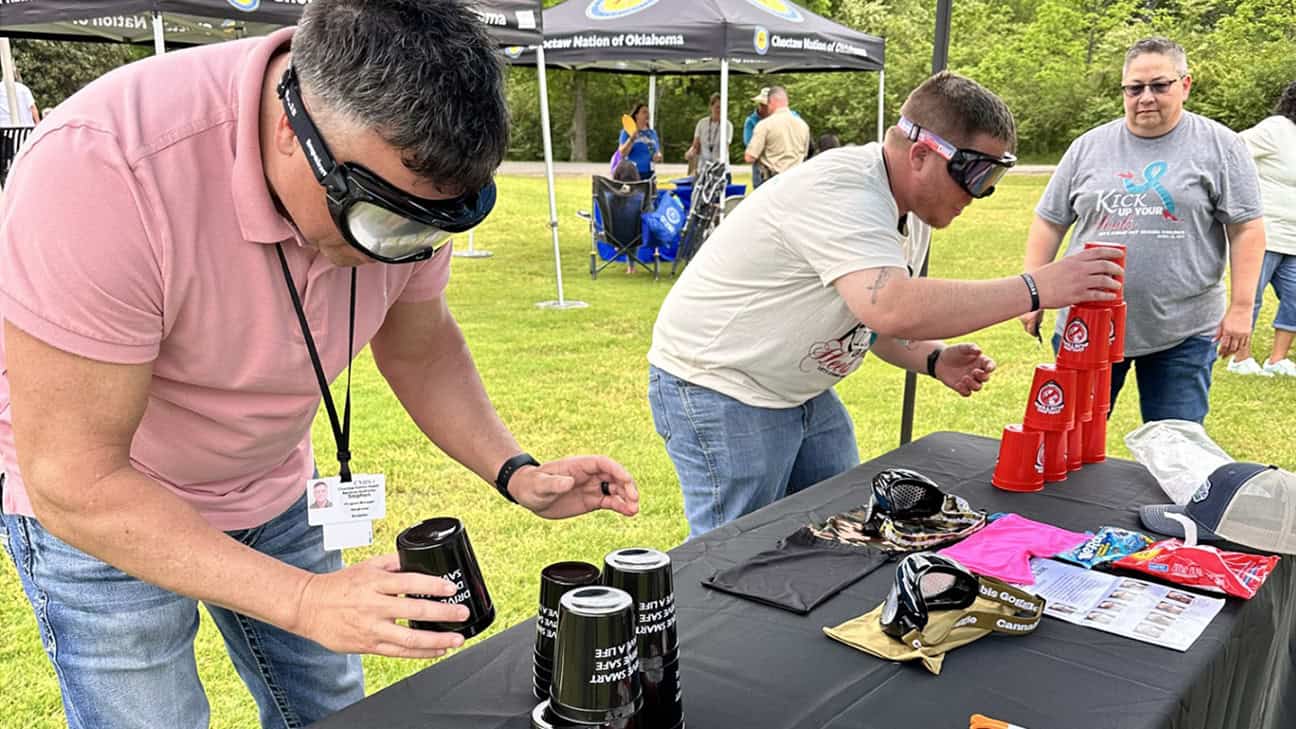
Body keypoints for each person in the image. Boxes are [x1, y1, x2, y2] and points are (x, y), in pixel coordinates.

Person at [0, 2, 639, 728]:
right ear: (289, 128)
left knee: (338, 711)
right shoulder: (102, 170)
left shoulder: (409, 187)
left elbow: (419, 340)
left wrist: (514, 469)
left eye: (431, 229)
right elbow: (73, 476)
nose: (399, 250)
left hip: (273, 484)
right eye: (384, 221)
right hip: (111, 507)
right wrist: (304, 600)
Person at [648, 71, 1122, 538]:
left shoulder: (907, 208)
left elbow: (873, 324)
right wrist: (1037, 287)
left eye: (995, 175)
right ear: (921, 154)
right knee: (732, 557)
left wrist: (934, 358)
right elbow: (889, 306)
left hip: (794, 389)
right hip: (720, 385)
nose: (983, 193)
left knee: (838, 529)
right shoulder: (846, 192)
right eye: (977, 173)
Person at [1020, 37, 1265, 423]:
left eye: (1159, 85)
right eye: (1134, 88)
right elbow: (1050, 221)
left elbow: (1246, 227)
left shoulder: (1222, 146)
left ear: (1185, 84)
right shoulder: (1088, 147)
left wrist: (1241, 307)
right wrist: (1031, 292)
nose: (1146, 97)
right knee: (1069, 436)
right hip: (1087, 324)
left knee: (1176, 448)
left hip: (1183, 330)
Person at [1228, 80, 1296, 377]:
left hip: (1293, 239)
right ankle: (1240, 358)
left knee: (1295, 300)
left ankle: (1277, 359)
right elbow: (1232, 150)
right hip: (1264, 233)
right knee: (1249, 297)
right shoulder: (1275, 129)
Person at [744, 86, 811, 183]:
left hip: (772, 182)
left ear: (770, 103)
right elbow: (805, 154)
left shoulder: (764, 125)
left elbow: (749, 157)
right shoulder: (803, 125)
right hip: (796, 181)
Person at [685, 93, 734, 171]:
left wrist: (717, 163)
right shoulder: (701, 123)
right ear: (711, 107)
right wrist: (690, 153)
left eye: (722, 107)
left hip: (720, 170)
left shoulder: (728, 125)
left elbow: (725, 147)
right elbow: (695, 146)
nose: (719, 110)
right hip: (703, 169)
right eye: (717, 107)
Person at [617, 102, 662, 180]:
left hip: (649, 173)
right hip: (631, 174)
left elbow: (657, 152)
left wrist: (658, 156)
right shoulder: (627, 131)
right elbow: (622, 153)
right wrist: (632, 138)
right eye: (644, 112)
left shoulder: (652, 133)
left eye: (648, 112)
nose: (647, 114)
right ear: (636, 115)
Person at [743, 88, 771, 187]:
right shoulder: (751, 121)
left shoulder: (779, 118)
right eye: (762, 104)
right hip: (759, 166)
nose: (763, 107)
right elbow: (749, 144)